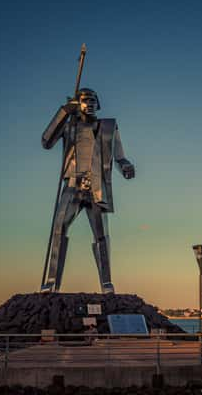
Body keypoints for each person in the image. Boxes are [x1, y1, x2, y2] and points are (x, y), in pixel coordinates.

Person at [41, 88, 135, 294]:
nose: (90, 103)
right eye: (84, 100)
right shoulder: (69, 125)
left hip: (96, 188)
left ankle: (107, 284)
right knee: (59, 229)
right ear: (77, 104)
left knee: (102, 235)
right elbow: (46, 141)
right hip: (73, 186)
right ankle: (51, 282)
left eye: (93, 100)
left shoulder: (108, 126)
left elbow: (119, 156)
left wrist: (126, 166)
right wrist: (64, 111)